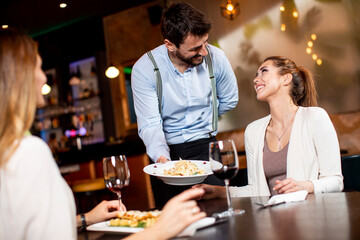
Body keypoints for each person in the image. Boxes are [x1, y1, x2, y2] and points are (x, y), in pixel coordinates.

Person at [0, 28, 206, 240]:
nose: (44, 77)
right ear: (18, 77)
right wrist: (160, 230)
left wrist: (85, 219)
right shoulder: (28, 151)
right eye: (37, 66)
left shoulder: (8, 150)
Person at [131, 2, 238, 207]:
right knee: (177, 225)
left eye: (205, 43)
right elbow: (151, 124)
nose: (205, 52)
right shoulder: (145, 69)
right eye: (196, 48)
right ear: (170, 44)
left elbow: (229, 99)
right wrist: (166, 165)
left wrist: (205, 117)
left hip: (208, 148)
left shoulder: (216, 57)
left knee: (220, 215)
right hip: (169, 154)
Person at [194, 56, 343, 199]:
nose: (255, 79)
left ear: (286, 78)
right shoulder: (253, 131)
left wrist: (306, 186)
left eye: (264, 71)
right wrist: (218, 192)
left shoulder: (315, 117)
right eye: (256, 75)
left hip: (311, 215)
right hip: (272, 217)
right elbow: (255, 190)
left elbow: (336, 181)